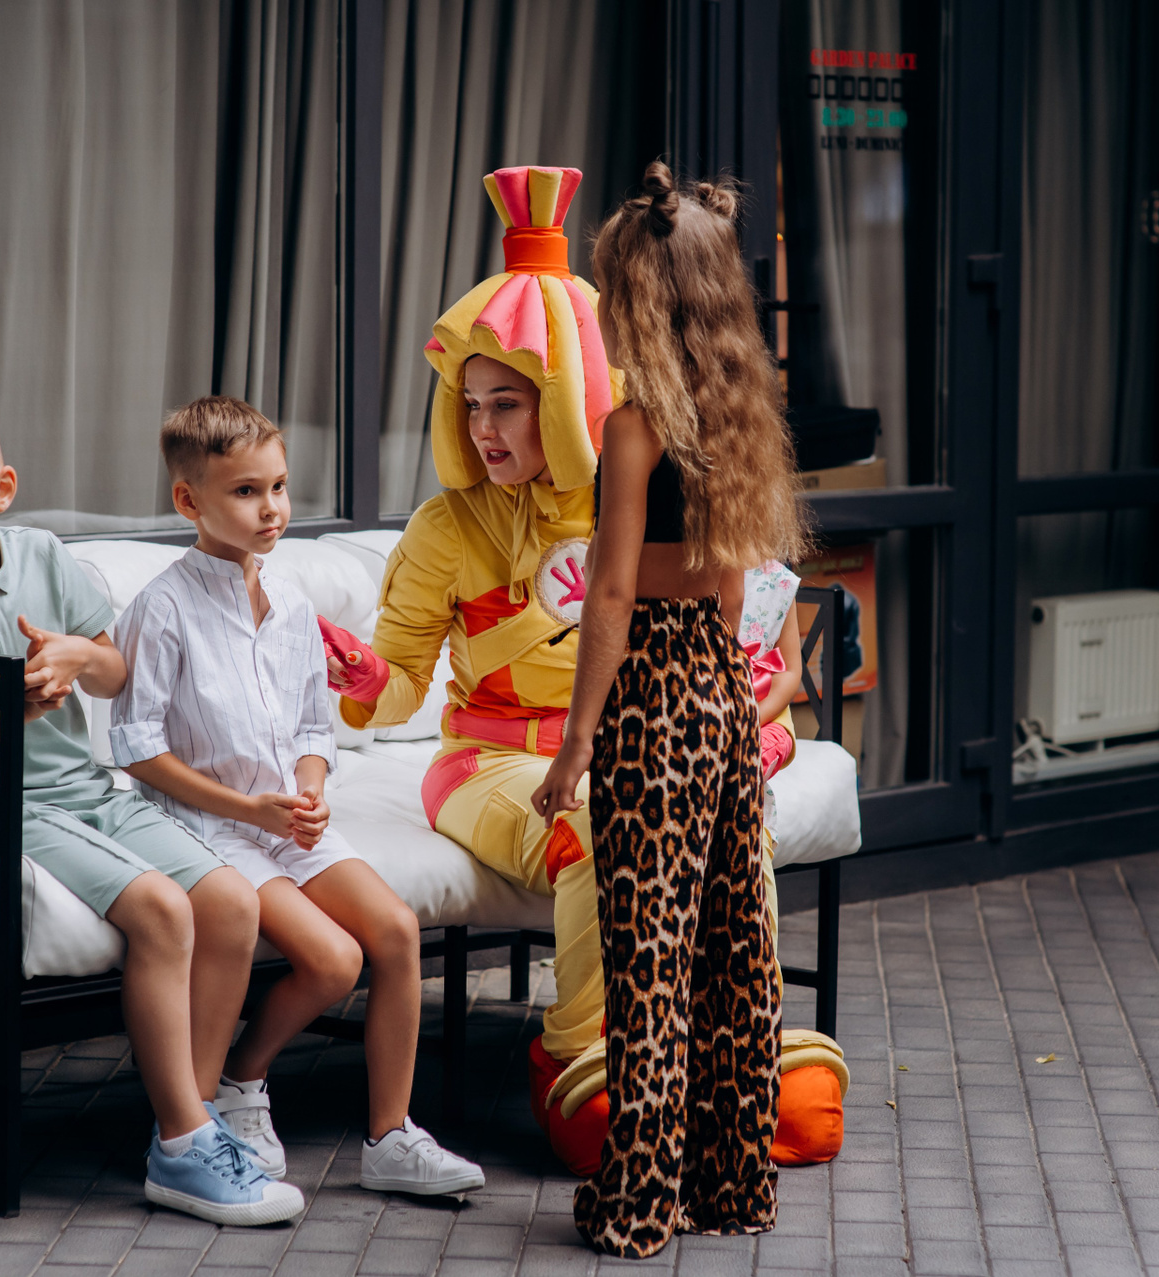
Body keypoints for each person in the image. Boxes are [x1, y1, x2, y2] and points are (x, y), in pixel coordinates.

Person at [0, 385, 301, 1228]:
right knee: (163, 908)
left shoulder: (44, 556)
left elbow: (114, 673)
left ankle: (190, 1125)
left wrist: (72, 653)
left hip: (89, 792)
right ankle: (184, 1138)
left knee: (232, 901)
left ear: (3, 487)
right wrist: (4, 714)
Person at [315, 166, 625, 1163]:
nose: (483, 428)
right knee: (602, 821)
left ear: (571, 401)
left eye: (511, 404)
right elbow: (403, 679)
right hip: (484, 764)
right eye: (472, 403)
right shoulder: (445, 529)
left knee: (705, 813)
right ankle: (584, 1069)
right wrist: (370, 680)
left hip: (611, 749)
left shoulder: (633, 509)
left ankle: (729, 1054)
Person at [530, 162, 811, 1258]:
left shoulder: (637, 426)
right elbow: (732, 588)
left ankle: (641, 1198)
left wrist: (577, 743)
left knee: (649, 960)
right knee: (735, 949)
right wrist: (727, 692)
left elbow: (608, 596)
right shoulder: (739, 414)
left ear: (639, 297)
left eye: (611, 289)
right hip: (721, 694)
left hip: (651, 697)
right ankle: (732, 1182)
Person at [110, 396, 485, 1197]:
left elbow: (316, 725)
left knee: (394, 930)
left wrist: (310, 789)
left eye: (277, 487)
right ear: (189, 500)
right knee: (334, 959)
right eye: (246, 491)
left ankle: (390, 1136)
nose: (271, 507)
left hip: (287, 819)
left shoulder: (291, 606)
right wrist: (251, 810)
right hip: (210, 825)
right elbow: (137, 747)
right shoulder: (163, 607)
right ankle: (237, 1083)